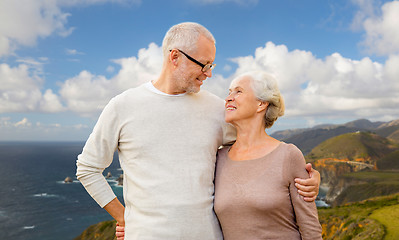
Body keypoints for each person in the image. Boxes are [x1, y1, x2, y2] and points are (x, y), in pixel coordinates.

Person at [76, 22, 320, 240]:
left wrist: (306, 178)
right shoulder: (122, 106)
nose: (209, 73)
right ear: (174, 57)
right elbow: (88, 168)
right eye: (204, 64)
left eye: (211, 64)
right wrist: (123, 217)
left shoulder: (217, 109)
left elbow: (258, 149)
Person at [214, 71, 323, 239]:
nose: (228, 98)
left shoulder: (288, 155)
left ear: (261, 104)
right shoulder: (218, 158)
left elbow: (310, 228)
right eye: (229, 92)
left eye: (238, 91)